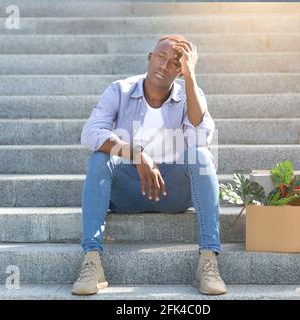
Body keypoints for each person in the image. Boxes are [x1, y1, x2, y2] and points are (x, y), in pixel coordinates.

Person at [73, 34, 227, 296]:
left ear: (180, 71)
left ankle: (208, 261)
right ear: (149, 57)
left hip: (172, 191)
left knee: (201, 156)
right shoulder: (120, 90)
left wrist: (190, 77)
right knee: (100, 157)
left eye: (174, 64)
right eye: (161, 57)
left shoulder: (191, 93)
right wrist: (135, 153)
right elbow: (90, 133)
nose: (164, 66)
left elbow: (200, 137)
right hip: (127, 190)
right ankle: (92, 262)